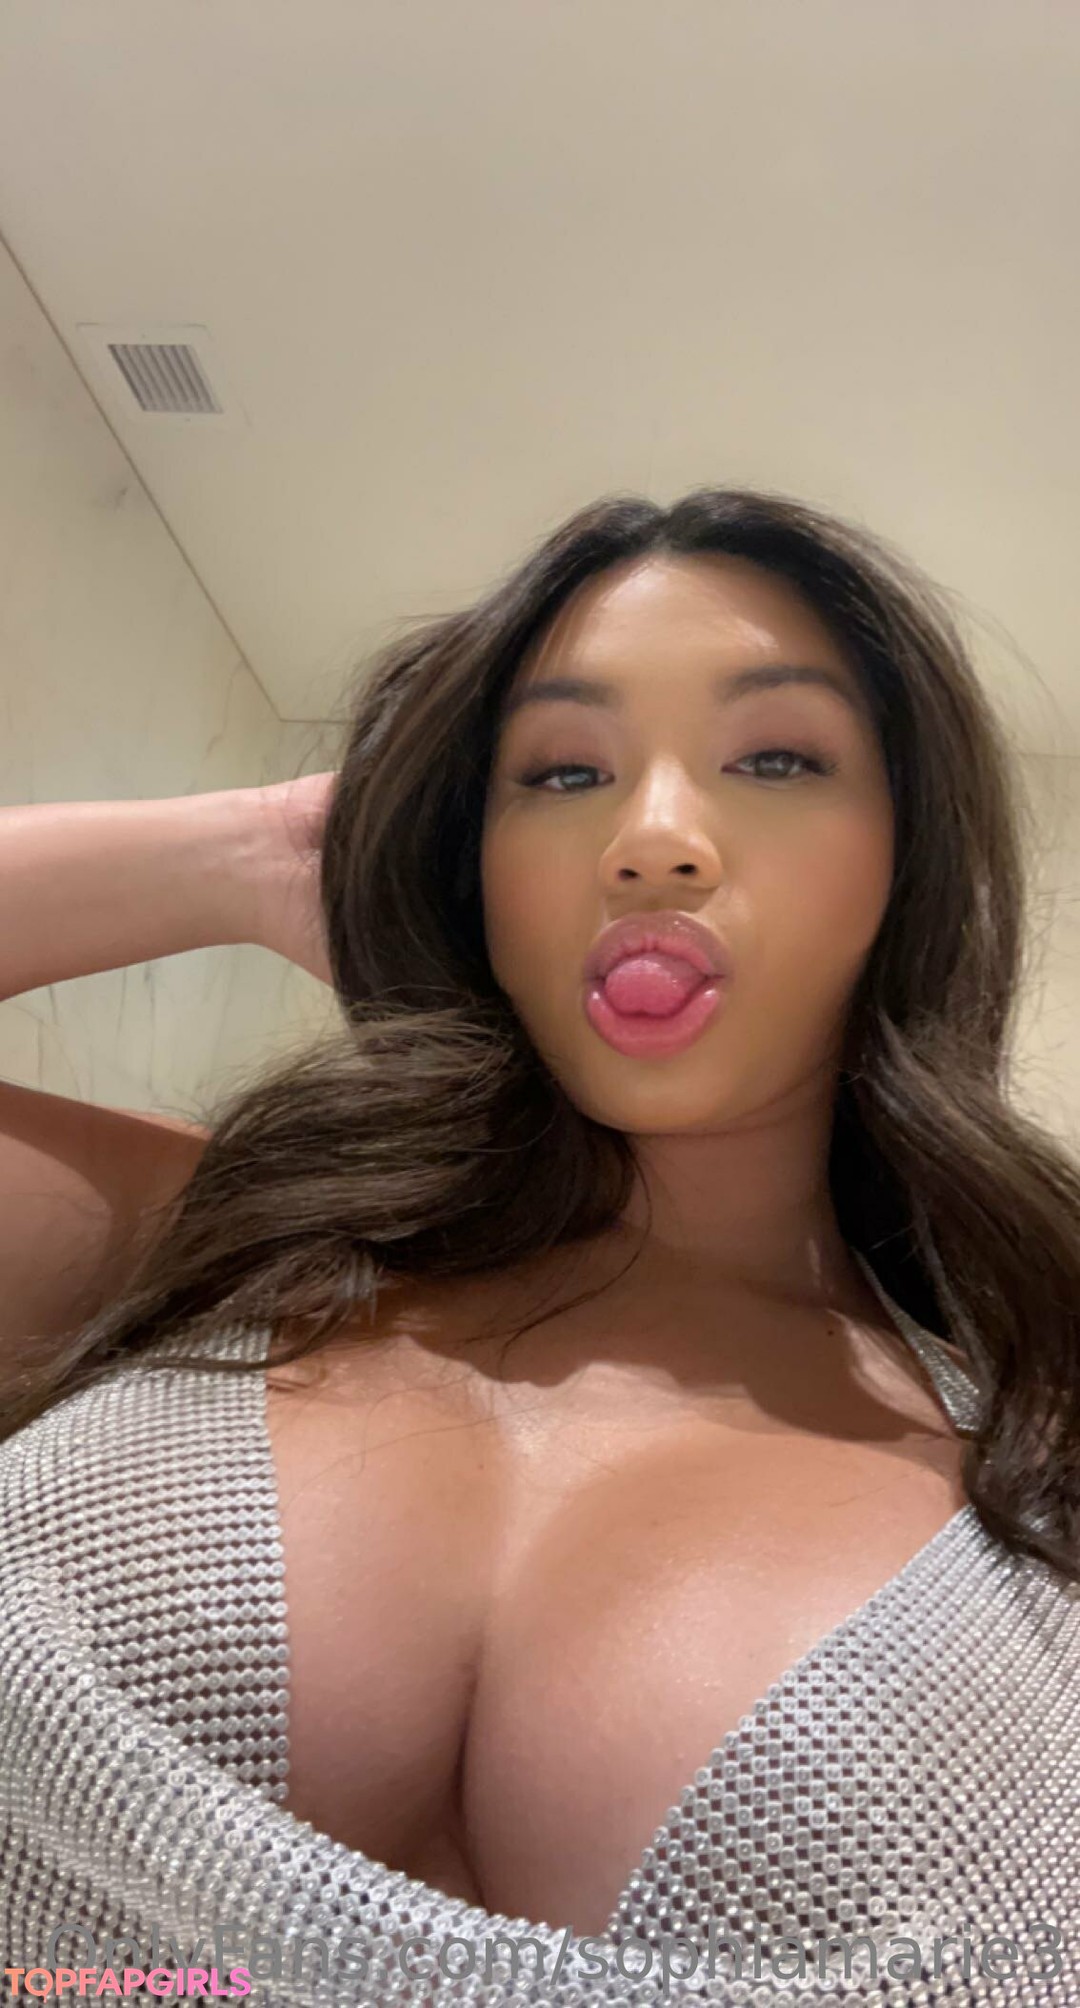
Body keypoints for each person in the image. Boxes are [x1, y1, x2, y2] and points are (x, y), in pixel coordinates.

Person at [1, 486, 1077, 2005]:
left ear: (908, 859)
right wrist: (257, 850)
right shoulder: (220, 1241)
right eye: (562, 773)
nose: (653, 842)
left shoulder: (1043, 1442)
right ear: (480, 870)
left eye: (777, 757)